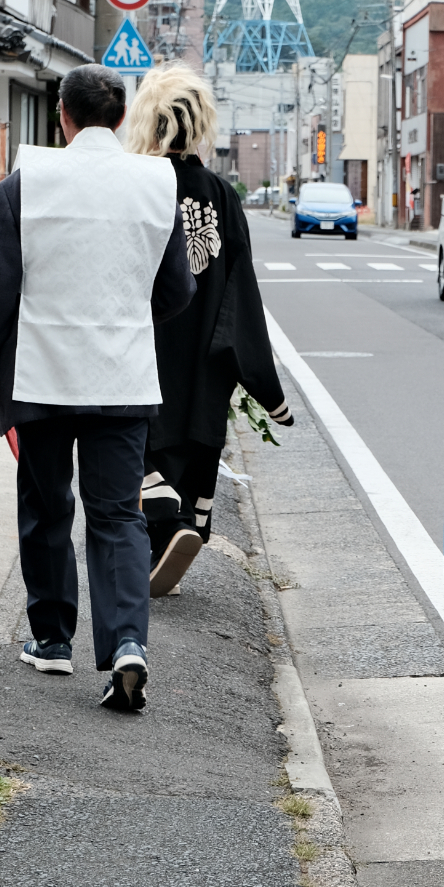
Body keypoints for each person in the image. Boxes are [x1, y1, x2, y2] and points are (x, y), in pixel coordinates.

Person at [0, 66, 195, 712]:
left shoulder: (24, 184)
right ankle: (126, 644)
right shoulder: (156, 183)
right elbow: (177, 291)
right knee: (117, 515)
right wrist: (122, 316)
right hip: (121, 373)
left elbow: (0, 288)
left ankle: (52, 639)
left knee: (46, 505)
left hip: (41, 371)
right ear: (119, 118)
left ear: (61, 114)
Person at [124, 64, 293, 595]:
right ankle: (182, 531)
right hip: (205, 360)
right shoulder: (222, 193)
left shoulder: (136, 184)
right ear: (200, 124)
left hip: (146, 350)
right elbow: (242, 293)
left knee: (134, 451)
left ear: (147, 121)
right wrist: (265, 388)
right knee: (193, 446)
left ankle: (167, 532)